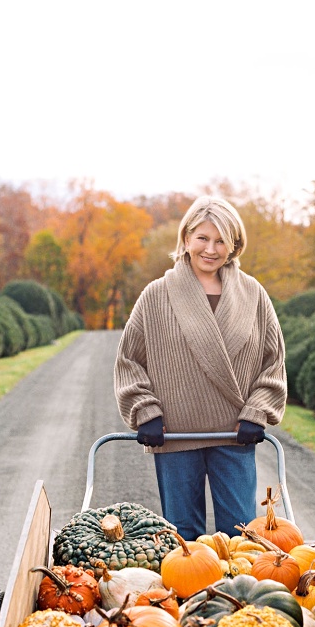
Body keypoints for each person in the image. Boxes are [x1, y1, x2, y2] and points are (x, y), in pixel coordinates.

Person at [114, 195, 287, 540]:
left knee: (240, 534)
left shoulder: (254, 295)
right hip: (175, 434)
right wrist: (144, 410)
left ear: (235, 244)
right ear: (186, 239)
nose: (211, 248)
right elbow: (128, 361)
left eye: (221, 240)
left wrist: (257, 412)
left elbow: (274, 363)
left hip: (235, 434)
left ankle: (236, 596)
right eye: (203, 238)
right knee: (183, 537)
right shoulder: (156, 295)